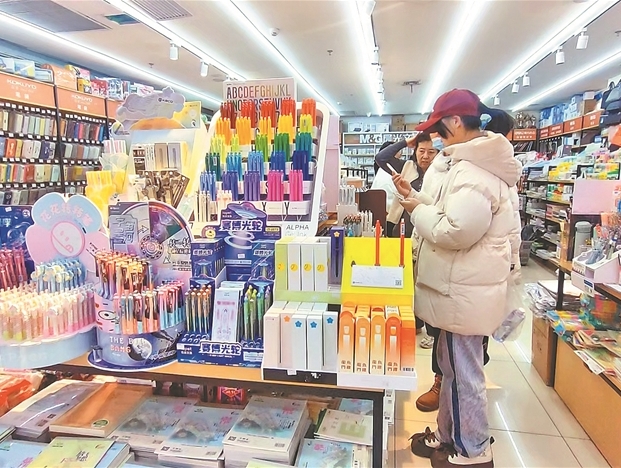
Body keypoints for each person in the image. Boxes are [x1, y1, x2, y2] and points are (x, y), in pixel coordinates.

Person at [397, 89, 521, 468]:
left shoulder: (474, 170)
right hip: (459, 288)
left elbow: (457, 230)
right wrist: (417, 199)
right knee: (451, 368)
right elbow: (450, 212)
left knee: (465, 374)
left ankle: (474, 448)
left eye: (439, 128)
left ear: (455, 121)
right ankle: (449, 435)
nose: (436, 137)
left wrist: (416, 212)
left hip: (464, 290)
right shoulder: (467, 163)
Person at [375, 133, 439, 237]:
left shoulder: (441, 173)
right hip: (401, 227)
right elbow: (381, 158)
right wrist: (406, 142)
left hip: (428, 228)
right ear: (415, 151)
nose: (425, 156)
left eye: (431, 152)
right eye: (421, 151)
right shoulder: (406, 166)